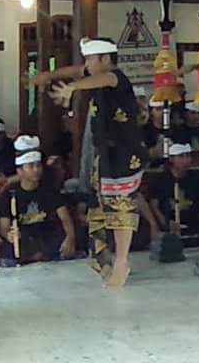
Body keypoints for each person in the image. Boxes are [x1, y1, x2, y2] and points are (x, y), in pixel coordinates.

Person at [32, 37, 146, 289]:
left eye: (90, 59)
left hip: (124, 156)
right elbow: (77, 70)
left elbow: (102, 79)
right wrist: (49, 75)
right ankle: (108, 260)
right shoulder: (95, 73)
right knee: (102, 207)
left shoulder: (116, 78)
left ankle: (122, 262)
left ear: (105, 59)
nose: (86, 65)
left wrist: (73, 88)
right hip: (104, 155)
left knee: (121, 208)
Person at [0, 149, 76, 266]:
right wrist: (9, 235)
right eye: (31, 166)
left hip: (45, 234)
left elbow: (64, 217)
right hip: (23, 236)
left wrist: (70, 237)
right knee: (7, 253)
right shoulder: (9, 194)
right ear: (20, 171)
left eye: (38, 165)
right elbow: (4, 227)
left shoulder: (49, 190)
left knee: (67, 243)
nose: (36, 170)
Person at [147, 142, 199, 237]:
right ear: (171, 159)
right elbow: (154, 206)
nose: (186, 160)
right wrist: (165, 222)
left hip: (194, 223)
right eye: (181, 156)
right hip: (170, 224)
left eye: (188, 156)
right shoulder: (160, 180)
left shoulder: (196, 179)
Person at [142, 99, 166, 164]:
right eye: (158, 109)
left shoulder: (176, 130)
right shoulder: (143, 131)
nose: (162, 112)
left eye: (164, 109)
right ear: (151, 112)